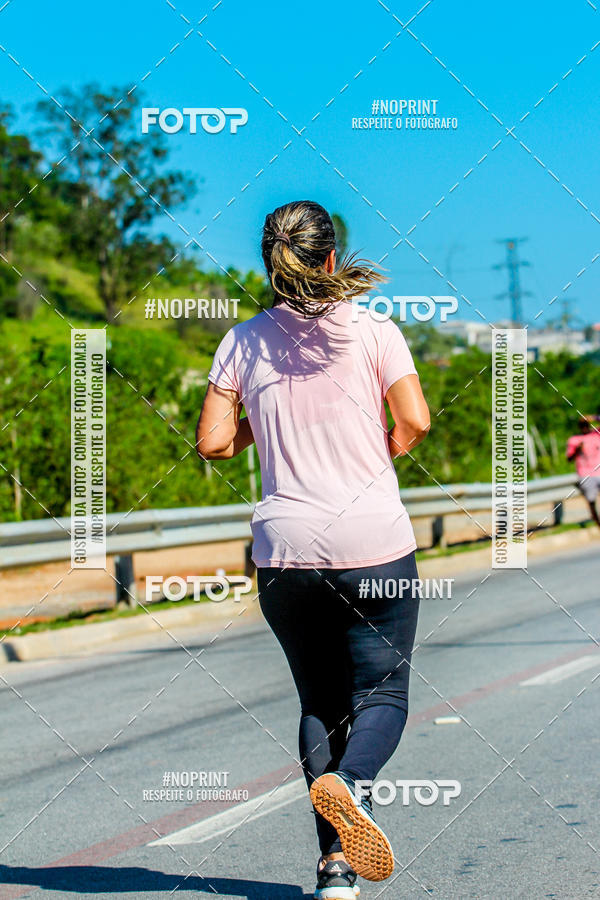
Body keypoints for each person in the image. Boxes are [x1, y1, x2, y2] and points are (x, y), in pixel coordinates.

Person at [196, 200, 430, 899]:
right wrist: (372, 460)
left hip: (285, 551)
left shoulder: (241, 341)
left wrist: (261, 423)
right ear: (331, 258)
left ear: (269, 263)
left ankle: (335, 868)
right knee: (383, 691)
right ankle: (350, 785)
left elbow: (211, 442)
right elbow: (414, 420)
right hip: (373, 542)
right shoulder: (376, 330)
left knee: (319, 701)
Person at [566, 415, 600, 527]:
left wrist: (594, 417)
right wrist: (577, 450)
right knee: (591, 501)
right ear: (579, 427)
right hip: (586, 474)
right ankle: (597, 523)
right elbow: (569, 459)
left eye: (586, 425)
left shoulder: (596, 434)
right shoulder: (574, 440)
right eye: (582, 425)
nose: (584, 427)